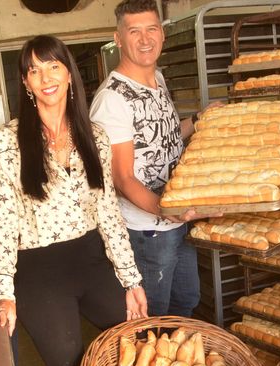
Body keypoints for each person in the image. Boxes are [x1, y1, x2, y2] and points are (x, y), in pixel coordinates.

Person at [0, 35, 147, 366]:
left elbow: (108, 211)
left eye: (53, 66)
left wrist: (131, 280)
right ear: (25, 83)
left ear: (69, 74)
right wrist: (4, 292)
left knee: (133, 342)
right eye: (34, 70)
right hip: (39, 269)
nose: (45, 77)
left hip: (90, 257)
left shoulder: (95, 135)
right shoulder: (5, 143)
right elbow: (3, 220)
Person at [90, 0, 206, 318]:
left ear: (162, 34)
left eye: (151, 29)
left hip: (175, 220)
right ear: (118, 38)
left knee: (186, 300)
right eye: (134, 31)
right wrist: (167, 211)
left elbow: (164, 138)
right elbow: (122, 178)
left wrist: (199, 119)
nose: (145, 39)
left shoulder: (157, 79)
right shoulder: (113, 99)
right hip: (146, 232)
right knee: (152, 315)